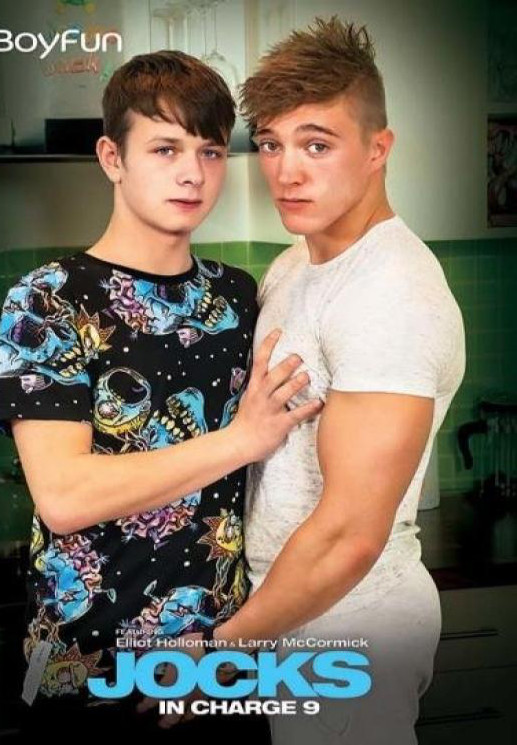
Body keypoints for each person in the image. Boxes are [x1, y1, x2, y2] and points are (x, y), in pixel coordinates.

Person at [0, 49, 321, 737]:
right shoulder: (48, 300)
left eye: (210, 152)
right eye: (165, 148)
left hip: (217, 670)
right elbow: (64, 497)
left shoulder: (237, 295)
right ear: (111, 157)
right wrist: (239, 440)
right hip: (88, 675)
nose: (191, 173)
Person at [186, 16, 465, 745]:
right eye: (271, 144)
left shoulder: (391, 292)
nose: (287, 171)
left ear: (377, 149)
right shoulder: (294, 266)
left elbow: (349, 535)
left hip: (352, 616)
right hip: (293, 608)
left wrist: (219, 652)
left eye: (317, 144)